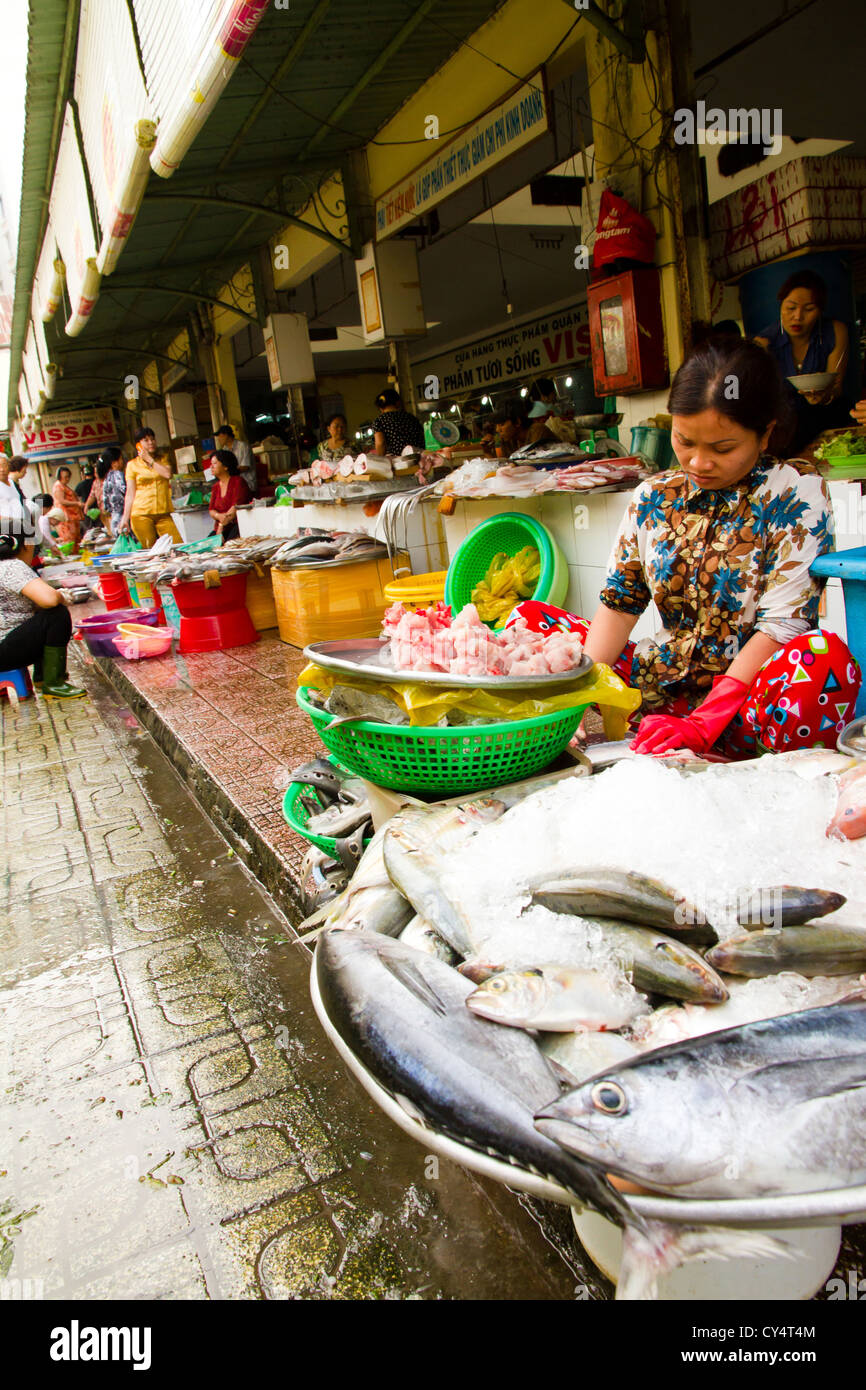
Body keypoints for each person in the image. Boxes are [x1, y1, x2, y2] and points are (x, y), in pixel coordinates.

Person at [577, 339, 860, 759]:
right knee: (532, 624)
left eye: (722, 449)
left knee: (822, 660)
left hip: (746, 708)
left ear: (765, 433)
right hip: (656, 693)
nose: (698, 463)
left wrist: (704, 722)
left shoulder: (793, 491)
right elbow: (620, 604)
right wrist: (579, 695)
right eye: (684, 441)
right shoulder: (653, 496)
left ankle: (742, 760)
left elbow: (783, 626)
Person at [754, 270, 851, 454]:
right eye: (791, 308)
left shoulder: (836, 331)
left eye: (809, 309)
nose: (797, 316)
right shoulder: (765, 343)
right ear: (781, 306)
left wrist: (825, 396)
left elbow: (837, 386)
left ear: (820, 310)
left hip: (827, 413)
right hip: (785, 423)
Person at [0, 530, 85, 697]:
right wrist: (62, 595)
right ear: (27, 545)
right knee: (56, 614)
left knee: (39, 616)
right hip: (4, 651)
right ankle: (53, 683)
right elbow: (49, 599)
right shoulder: (11, 566)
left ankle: (41, 676)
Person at [120, 427, 181, 548]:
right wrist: (125, 519)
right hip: (141, 513)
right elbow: (130, 494)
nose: (151, 442)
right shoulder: (132, 465)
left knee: (177, 545)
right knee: (149, 549)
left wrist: (150, 460)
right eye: (146, 440)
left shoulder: (163, 459)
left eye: (152, 439)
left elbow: (167, 474)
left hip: (163, 512)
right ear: (138, 445)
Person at [208, 450, 251, 541]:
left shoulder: (238, 482)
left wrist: (221, 526)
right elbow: (211, 510)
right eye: (211, 464)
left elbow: (236, 507)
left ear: (225, 466)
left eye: (215, 463)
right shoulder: (215, 487)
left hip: (237, 526)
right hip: (220, 528)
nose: (211, 467)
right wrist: (218, 516)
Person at [372, 388, 424, 456]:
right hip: (420, 455)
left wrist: (381, 460)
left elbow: (380, 443)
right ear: (398, 403)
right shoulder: (410, 416)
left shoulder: (379, 421)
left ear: (381, 408)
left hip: (400, 460)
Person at [214, 424, 256, 495]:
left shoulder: (243, 446)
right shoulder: (225, 450)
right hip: (233, 487)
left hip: (248, 485)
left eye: (220, 436)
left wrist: (228, 471)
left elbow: (245, 467)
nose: (218, 439)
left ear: (226, 435)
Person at [52, 465, 85, 548]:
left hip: (72, 518)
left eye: (68, 477)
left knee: (76, 541)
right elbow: (61, 501)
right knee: (70, 541)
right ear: (60, 476)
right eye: (65, 477)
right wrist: (77, 503)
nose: (67, 479)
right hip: (66, 519)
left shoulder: (64, 486)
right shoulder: (58, 486)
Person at [100, 446, 127, 538]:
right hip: (124, 520)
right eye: (121, 459)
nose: (122, 462)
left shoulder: (106, 479)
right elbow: (127, 492)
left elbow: (106, 505)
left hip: (114, 521)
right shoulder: (119, 475)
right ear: (114, 463)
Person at [85, 457, 111, 531]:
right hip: (102, 514)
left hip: (111, 513)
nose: (96, 474)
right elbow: (92, 495)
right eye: (95, 472)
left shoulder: (109, 480)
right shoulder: (95, 482)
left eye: (97, 472)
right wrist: (87, 505)